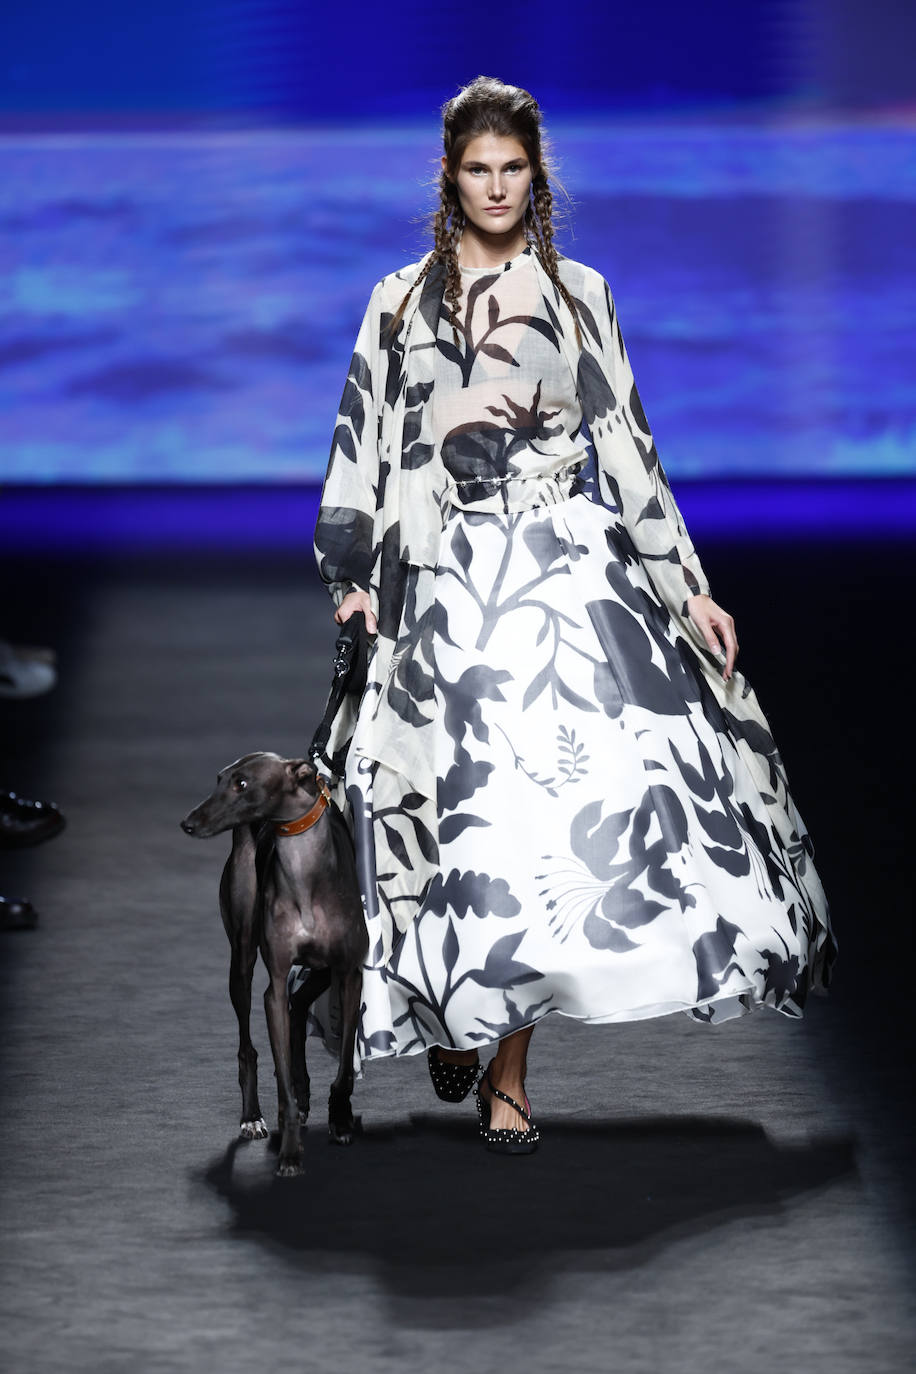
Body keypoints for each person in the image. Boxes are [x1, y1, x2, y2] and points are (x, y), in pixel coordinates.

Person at [313, 75, 835, 1154]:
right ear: (448, 176)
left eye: (513, 169)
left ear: (536, 176)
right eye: (478, 169)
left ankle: (507, 1069)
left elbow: (629, 450)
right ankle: (454, 1009)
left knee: (539, 822)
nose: (496, 187)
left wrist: (687, 585)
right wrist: (350, 576)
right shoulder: (398, 302)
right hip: (439, 583)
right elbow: (360, 439)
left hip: (560, 576)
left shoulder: (579, 295)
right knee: (444, 817)